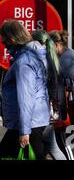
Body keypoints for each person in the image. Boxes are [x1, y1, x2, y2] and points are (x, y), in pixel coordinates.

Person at [0, 20, 50, 160]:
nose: (3, 43)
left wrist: (24, 131)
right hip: (33, 121)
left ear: (12, 38)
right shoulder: (34, 55)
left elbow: (25, 97)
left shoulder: (24, 62)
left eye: (4, 40)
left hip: (28, 124)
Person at [31, 30, 71, 160]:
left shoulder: (50, 59)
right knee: (55, 146)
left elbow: (69, 81)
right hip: (54, 110)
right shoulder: (52, 58)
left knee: (67, 145)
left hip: (54, 110)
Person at [49, 30, 74, 106]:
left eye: (49, 46)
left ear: (56, 45)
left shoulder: (67, 59)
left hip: (73, 103)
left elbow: (67, 89)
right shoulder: (67, 53)